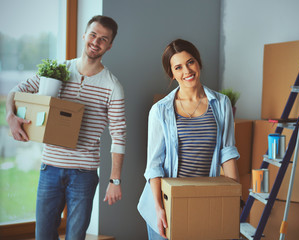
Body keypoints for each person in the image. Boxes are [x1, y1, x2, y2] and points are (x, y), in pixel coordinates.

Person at [5, 15, 126, 240]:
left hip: (84, 174)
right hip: (50, 167)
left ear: (109, 46)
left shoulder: (112, 86)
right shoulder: (58, 70)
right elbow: (17, 90)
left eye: (103, 39)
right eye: (93, 35)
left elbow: (118, 135)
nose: (96, 41)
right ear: (84, 35)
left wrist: (115, 180)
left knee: (75, 237)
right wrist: (10, 117)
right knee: (43, 236)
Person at [137, 39, 240, 240]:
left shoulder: (221, 104)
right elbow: (154, 166)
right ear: (172, 73)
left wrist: (234, 198)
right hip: (166, 204)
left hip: (204, 201)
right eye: (178, 67)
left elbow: (227, 152)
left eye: (190, 62)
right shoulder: (160, 110)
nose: (187, 70)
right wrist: (159, 209)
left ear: (198, 62)